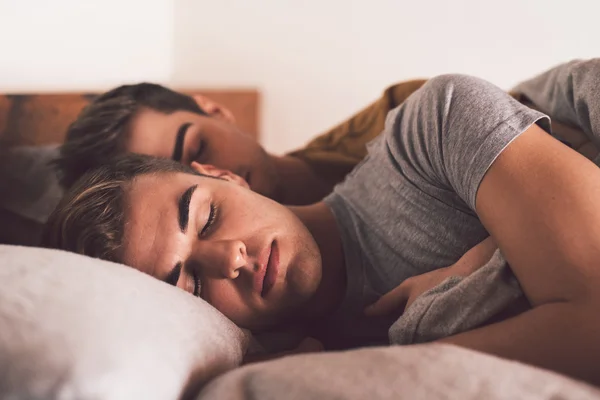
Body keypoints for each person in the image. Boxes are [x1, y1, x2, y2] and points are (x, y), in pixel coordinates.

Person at [44, 63, 600, 385]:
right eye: (187, 282)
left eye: (207, 215)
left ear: (221, 174)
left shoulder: (433, 124)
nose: (231, 258)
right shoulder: (294, 364)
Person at [54, 61, 597, 206]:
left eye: (196, 149)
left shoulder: (408, 115)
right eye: (180, 186)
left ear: (216, 111)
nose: (208, 176)